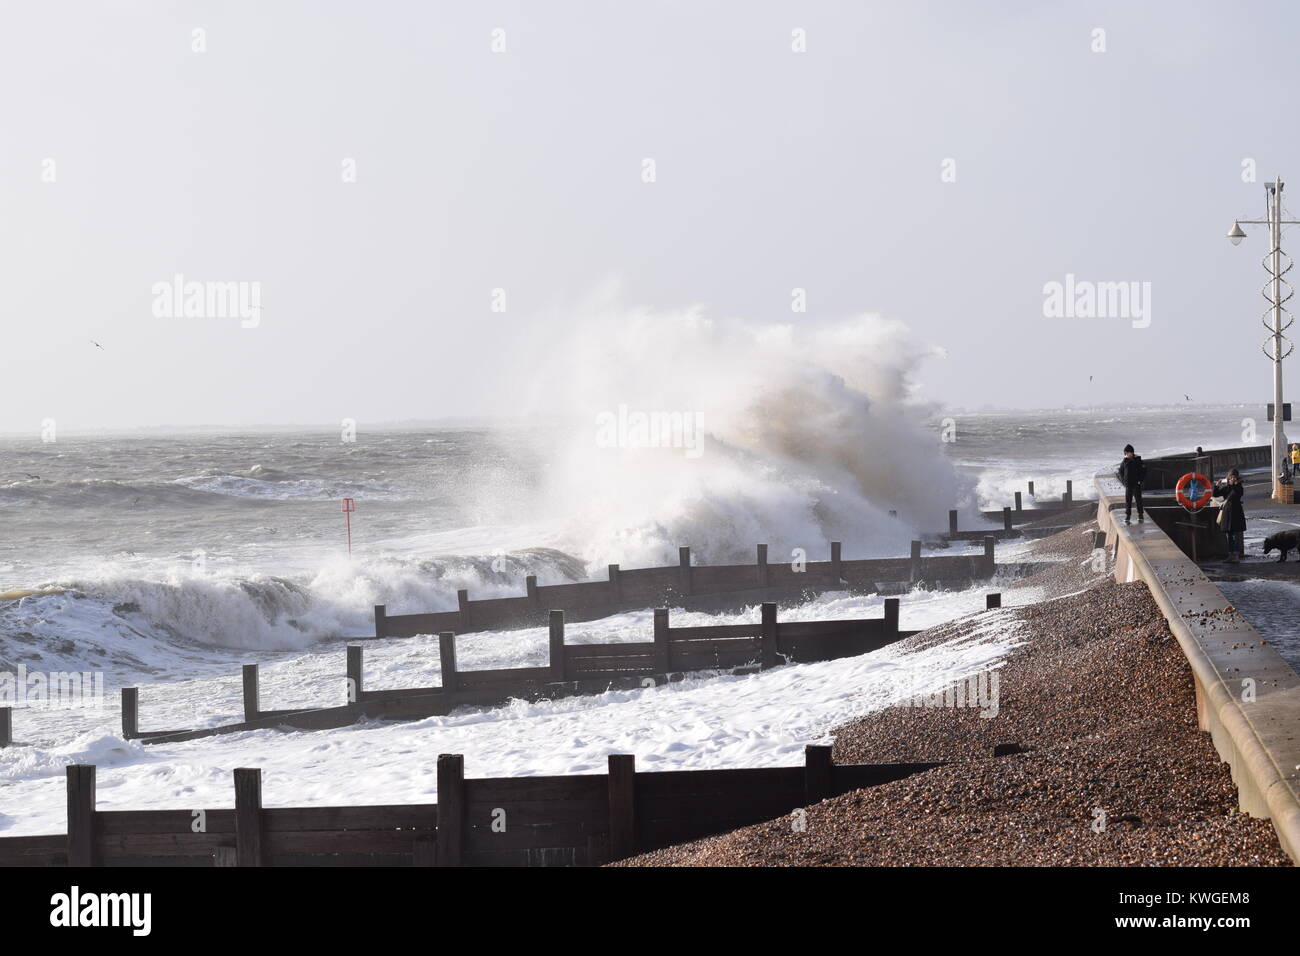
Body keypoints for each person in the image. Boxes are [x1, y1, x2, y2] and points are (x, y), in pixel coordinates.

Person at [1214, 468, 1246, 563]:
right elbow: (1215, 494)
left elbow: (1236, 493)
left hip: (1236, 513)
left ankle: (1236, 556)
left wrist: (1236, 484)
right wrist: (1217, 486)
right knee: (1229, 535)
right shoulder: (1226, 488)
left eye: (1233, 477)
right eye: (1230, 477)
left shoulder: (1239, 487)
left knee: (1235, 535)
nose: (1231, 479)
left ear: (1236, 478)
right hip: (1227, 513)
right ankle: (1230, 555)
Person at [1116, 444, 1145, 524]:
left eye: (1127, 453)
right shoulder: (1124, 461)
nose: (1126, 454)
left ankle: (1140, 515)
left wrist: (1140, 480)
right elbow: (1120, 472)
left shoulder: (1138, 460)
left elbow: (1144, 471)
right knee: (1128, 501)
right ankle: (1128, 516)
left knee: (1138, 500)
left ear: (1131, 453)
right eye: (1125, 453)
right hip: (1128, 484)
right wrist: (1123, 481)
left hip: (1136, 483)